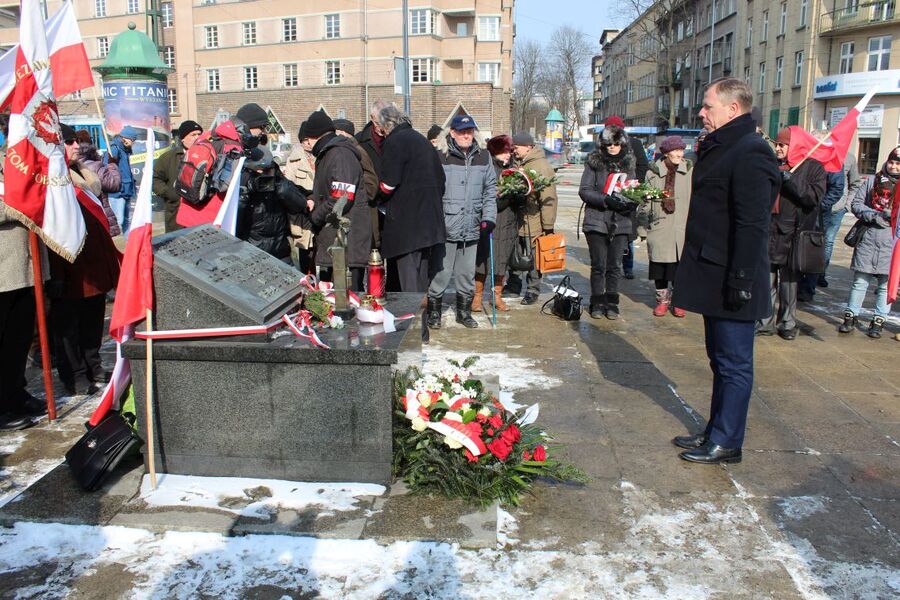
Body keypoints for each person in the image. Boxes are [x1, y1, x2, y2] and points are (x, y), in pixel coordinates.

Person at [672, 77, 779, 464]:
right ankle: (715, 429)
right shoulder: (723, 146)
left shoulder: (751, 150)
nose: (701, 112)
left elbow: (752, 225)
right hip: (714, 275)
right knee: (719, 359)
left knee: (734, 364)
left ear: (733, 109)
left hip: (735, 277)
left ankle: (728, 441)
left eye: (708, 106)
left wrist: (742, 280)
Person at [49, 124, 121, 397]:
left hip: (94, 259)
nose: (76, 146)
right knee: (69, 325)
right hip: (69, 261)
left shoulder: (82, 172)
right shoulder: (53, 178)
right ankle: (75, 374)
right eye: (69, 142)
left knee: (92, 319)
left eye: (75, 141)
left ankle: (93, 365)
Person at [755, 127, 826, 340]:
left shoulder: (813, 167)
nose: (777, 148)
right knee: (766, 280)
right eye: (776, 144)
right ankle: (764, 321)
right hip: (769, 228)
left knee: (789, 283)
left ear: (794, 145)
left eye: (782, 145)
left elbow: (813, 197)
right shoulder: (773, 163)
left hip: (793, 232)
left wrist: (790, 179)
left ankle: (787, 323)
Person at [0, 114, 47, 429]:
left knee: (18, 339)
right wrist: (22, 203)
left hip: (26, 268)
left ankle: (14, 393)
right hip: (3, 270)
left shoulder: (15, 161)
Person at [428, 115, 497, 328]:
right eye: (462, 131)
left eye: (470, 131)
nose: (467, 135)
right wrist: (435, 220)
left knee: (466, 274)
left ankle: (464, 313)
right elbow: (432, 190)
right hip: (446, 224)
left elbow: (490, 190)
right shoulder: (440, 155)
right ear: (452, 132)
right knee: (441, 272)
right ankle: (434, 312)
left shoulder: (484, 156)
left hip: (472, 224)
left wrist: (488, 218)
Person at [375, 106, 446, 293]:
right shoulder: (422, 140)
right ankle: (421, 310)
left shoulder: (394, 141)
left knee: (408, 279)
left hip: (406, 222)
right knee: (421, 276)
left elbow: (388, 183)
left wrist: (375, 198)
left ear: (385, 126)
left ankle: (410, 312)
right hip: (429, 219)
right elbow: (441, 179)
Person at [837, 147, 900, 338]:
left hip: (892, 242)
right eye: (891, 162)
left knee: (884, 285)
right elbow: (856, 204)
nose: (893, 166)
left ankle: (878, 320)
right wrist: (874, 215)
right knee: (860, 281)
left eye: (898, 164)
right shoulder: (873, 181)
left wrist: (894, 216)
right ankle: (850, 316)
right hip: (868, 237)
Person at [306, 110, 372, 291]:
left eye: (307, 140)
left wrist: (315, 217)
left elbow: (342, 198)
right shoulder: (331, 154)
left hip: (346, 242)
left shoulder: (339, 154)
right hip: (337, 241)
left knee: (347, 298)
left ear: (313, 137)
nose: (307, 145)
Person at [578, 122, 636, 320]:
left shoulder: (628, 163)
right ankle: (597, 301)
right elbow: (585, 190)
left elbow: (634, 189)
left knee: (615, 265)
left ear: (622, 144)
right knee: (599, 265)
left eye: (615, 143)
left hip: (621, 221)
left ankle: (612, 302)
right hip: (597, 220)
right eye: (608, 144)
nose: (612, 147)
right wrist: (605, 199)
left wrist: (630, 203)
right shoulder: (594, 163)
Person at [638, 135, 692, 317]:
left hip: (682, 227)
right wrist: (642, 227)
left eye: (681, 150)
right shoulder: (653, 172)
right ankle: (662, 301)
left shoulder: (689, 171)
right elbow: (645, 201)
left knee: (680, 268)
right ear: (667, 152)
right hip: (659, 226)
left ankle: (678, 301)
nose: (680, 154)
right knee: (660, 268)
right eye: (676, 150)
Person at [507, 132, 558, 305]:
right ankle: (513, 285)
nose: (514, 151)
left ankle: (533, 290)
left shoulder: (541, 166)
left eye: (516, 147)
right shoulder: (516, 162)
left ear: (528, 147)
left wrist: (548, 225)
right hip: (516, 219)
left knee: (534, 258)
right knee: (514, 255)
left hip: (533, 221)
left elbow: (548, 198)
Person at [236, 146, 308, 262]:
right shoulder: (241, 189)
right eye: (258, 171)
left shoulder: (279, 182)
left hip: (281, 251)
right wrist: (243, 197)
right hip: (253, 254)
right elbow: (234, 227)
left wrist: (282, 187)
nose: (264, 176)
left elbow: (300, 203)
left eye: (268, 170)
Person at [473, 135, 518, 313]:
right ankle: (477, 296)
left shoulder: (513, 170)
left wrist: (519, 195)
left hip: (508, 223)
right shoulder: (488, 168)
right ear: (495, 151)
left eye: (510, 151)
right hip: (490, 222)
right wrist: (503, 198)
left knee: (501, 261)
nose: (508, 155)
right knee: (483, 260)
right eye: (504, 151)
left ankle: (496, 297)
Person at [604, 116, 648, 279]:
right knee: (607, 230)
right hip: (608, 192)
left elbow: (643, 165)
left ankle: (627, 266)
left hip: (628, 193)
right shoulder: (603, 145)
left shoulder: (634, 144)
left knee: (627, 231)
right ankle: (609, 264)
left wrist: (634, 185)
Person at [334, 118, 380, 251]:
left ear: (342, 133)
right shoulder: (345, 150)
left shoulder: (357, 151)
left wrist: (351, 195)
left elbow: (371, 186)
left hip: (360, 220)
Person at [820, 149, 862, 288]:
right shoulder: (817, 153)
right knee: (814, 240)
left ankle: (821, 273)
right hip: (818, 207)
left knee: (828, 241)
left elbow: (855, 183)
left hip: (837, 208)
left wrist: (847, 205)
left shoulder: (849, 158)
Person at [153, 120, 203, 233]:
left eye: (199, 134)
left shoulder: (207, 156)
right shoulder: (169, 157)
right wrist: (170, 193)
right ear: (183, 138)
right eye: (193, 134)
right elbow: (155, 178)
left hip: (199, 212)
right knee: (177, 240)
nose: (197, 137)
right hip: (176, 213)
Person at [284, 121, 317, 273]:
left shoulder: (323, 155)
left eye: (310, 139)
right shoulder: (294, 159)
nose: (308, 143)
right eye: (305, 140)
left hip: (321, 210)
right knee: (305, 253)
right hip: (302, 215)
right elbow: (288, 187)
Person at [76, 129, 121, 236]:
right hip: (98, 217)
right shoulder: (94, 166)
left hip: (80, 221)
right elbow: (114, 184)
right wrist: (112, 165)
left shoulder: (69, 166)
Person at [107, 124, 138, 231]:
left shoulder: (124, 149)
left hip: (125, 190)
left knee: (126, 221)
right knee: (118, 221)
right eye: (132, 140)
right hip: (118, 192)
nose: (133, 143)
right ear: (126, 138)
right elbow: (107, 169)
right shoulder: (114, 149)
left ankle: (129, 241)